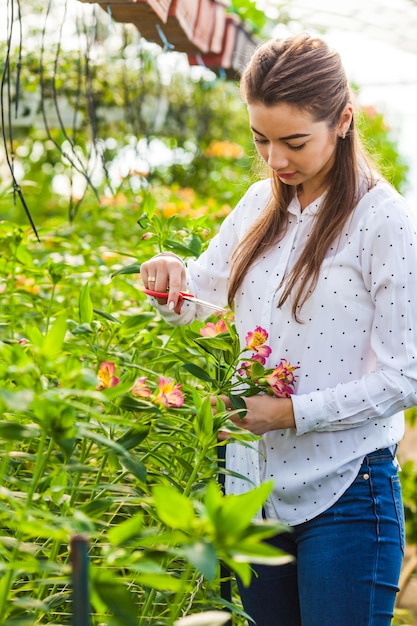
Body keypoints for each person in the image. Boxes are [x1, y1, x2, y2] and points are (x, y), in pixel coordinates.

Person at [140, 33, 417, 626]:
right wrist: (169, 279)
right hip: (252, 490)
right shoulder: (257, 207)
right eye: (261, 139)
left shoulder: (383, 220)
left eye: (294, 142)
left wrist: (290, 414)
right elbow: (200, 298)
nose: (275, 160)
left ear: (342, 121)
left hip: (345, 490)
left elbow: (406, 376)